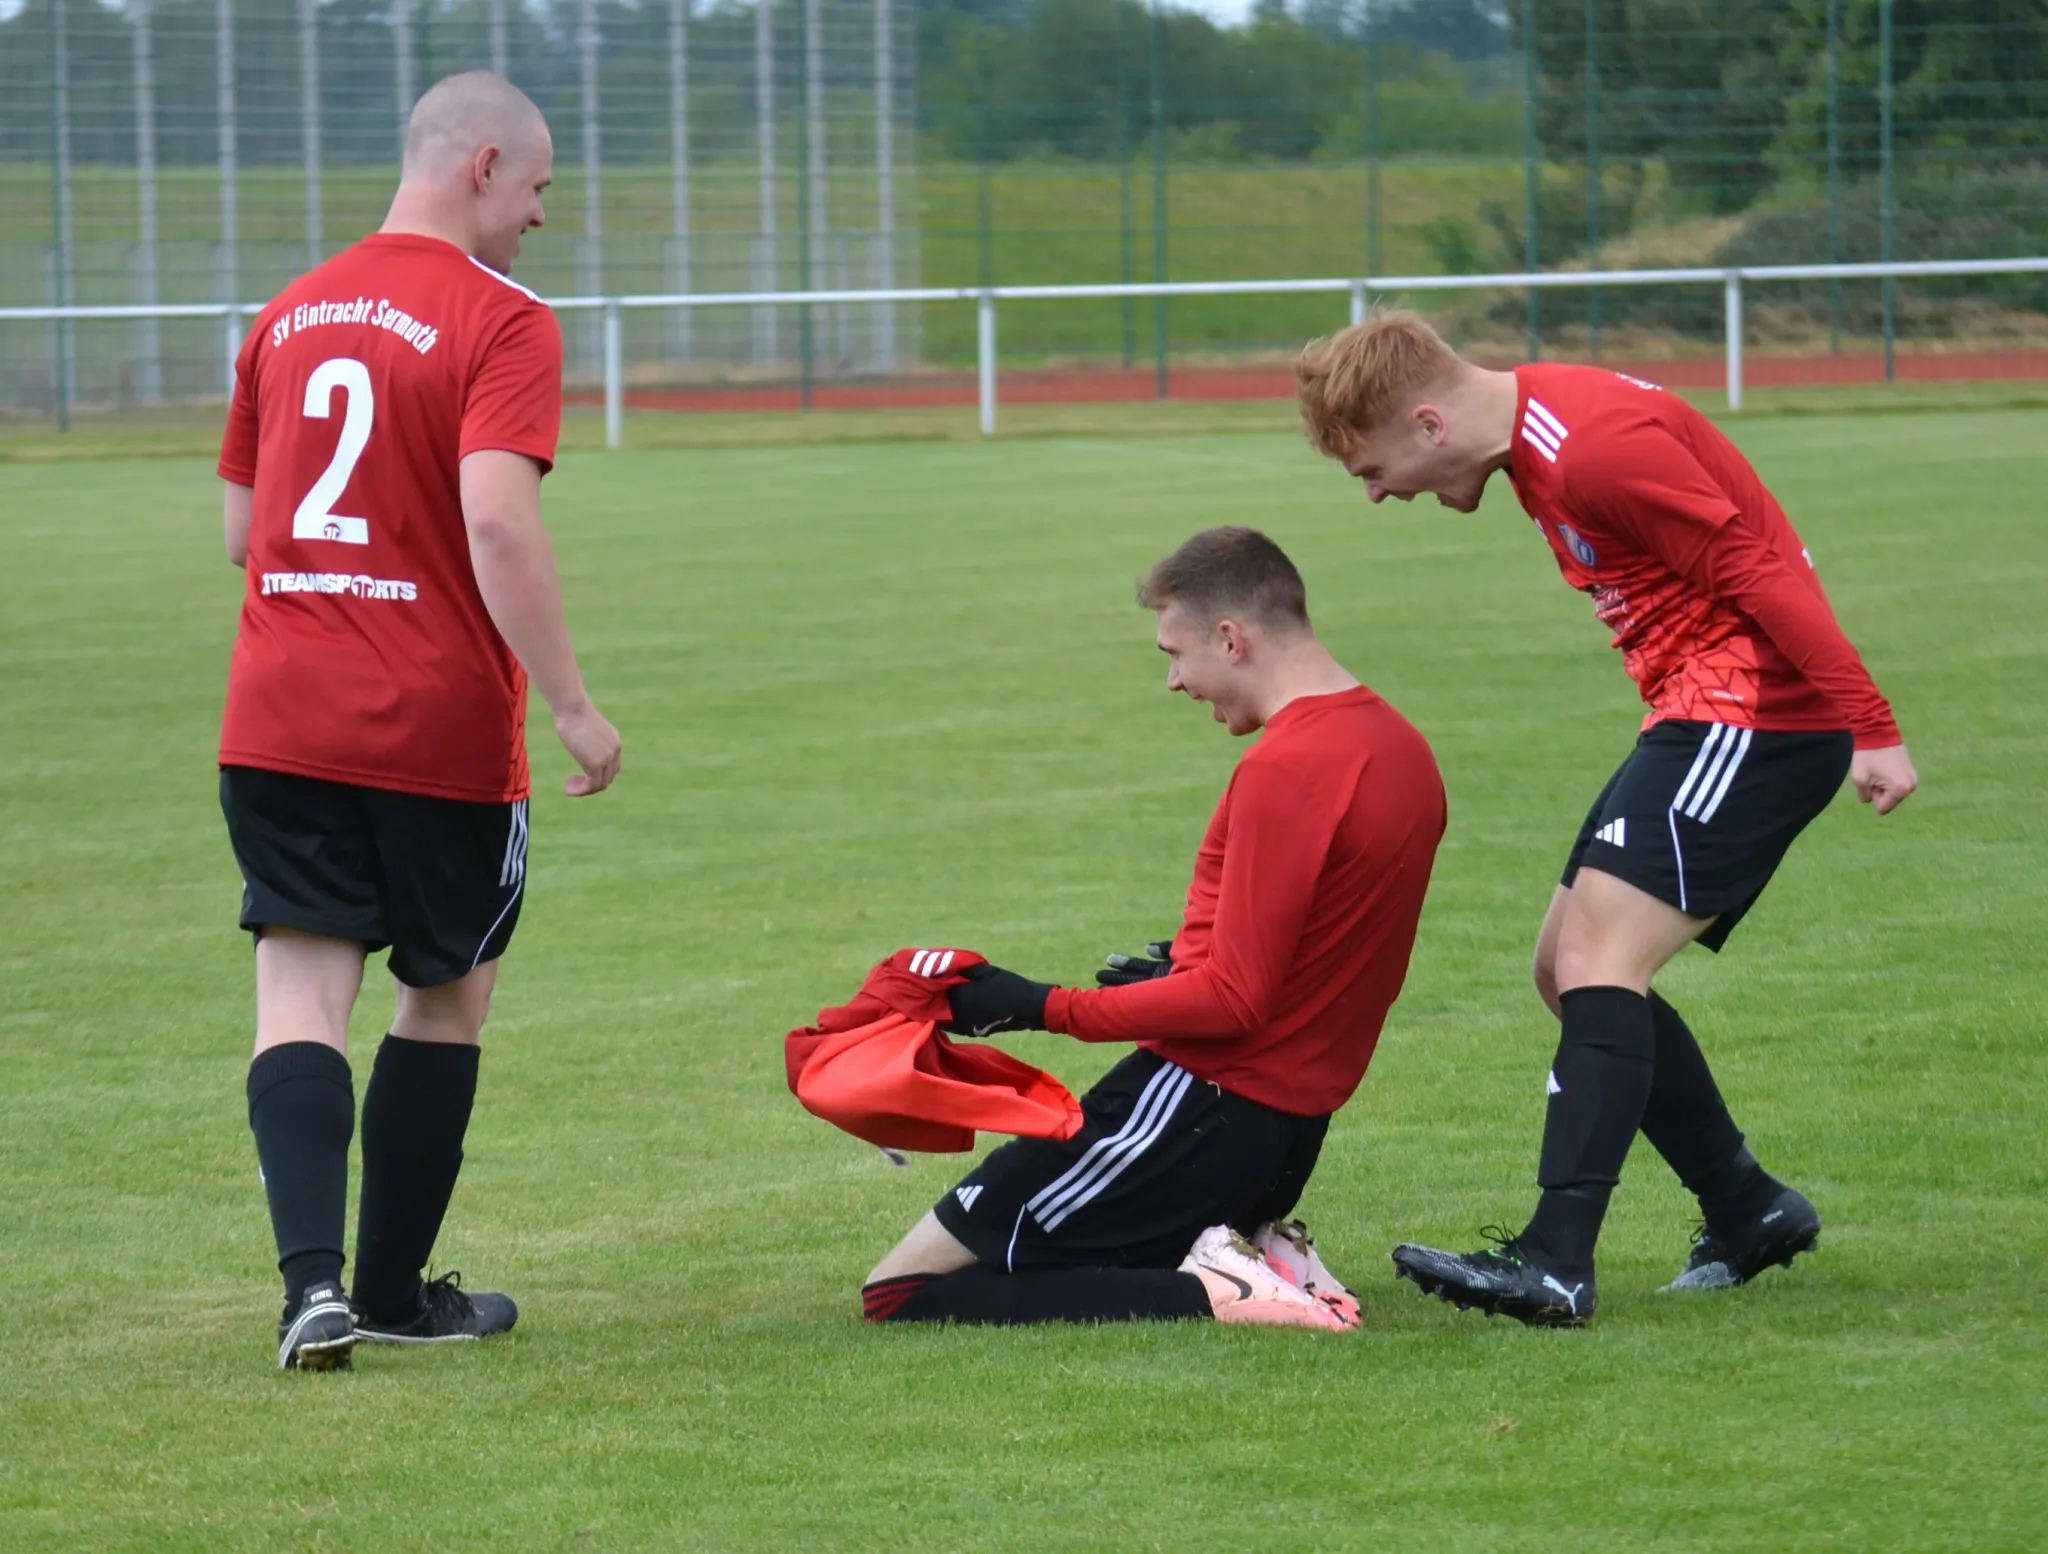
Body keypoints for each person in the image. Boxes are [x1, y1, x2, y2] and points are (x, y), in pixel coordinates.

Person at [1295, 310, 1917, 1327]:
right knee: (1562, 970)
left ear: (1427, 423)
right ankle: (1748, 1209)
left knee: (1596, 963)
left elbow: (1759, 573)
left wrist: (1872, 725)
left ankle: (1555, 1263)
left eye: (1372, 469)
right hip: (1702, 710)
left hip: (1754, 713)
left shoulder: (1589, 449)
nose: (1377, 493)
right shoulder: (1540, 433)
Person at [217, 71, 621, 1370]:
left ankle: (310, 1290)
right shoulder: (501, 316)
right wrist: (571, 702)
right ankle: (389, 1293)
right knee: (444, 996)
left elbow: (241, 532)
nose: (540, 216)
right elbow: (496, 519)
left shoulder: (286, 312)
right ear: (483, 164)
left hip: (278, 715)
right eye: (538, 187)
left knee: (299, 990)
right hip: (435, 726)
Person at [859, 526, 1446, 1330]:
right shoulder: (1400, 745)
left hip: (1194, 1112)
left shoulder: (1286, 766)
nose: (1174, 681)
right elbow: (1327, 950)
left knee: (902, 1291)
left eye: (1176, 654)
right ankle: (1264, 1255)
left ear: (1231, 639)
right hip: (1286, 1131)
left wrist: (1037, 1005)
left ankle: (1224, 1290)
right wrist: (1177, 973)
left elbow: (1234, 1000)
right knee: (1063, 1260)